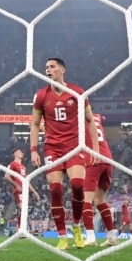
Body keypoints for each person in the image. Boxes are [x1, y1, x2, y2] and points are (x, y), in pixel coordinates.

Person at [30, 57, 100, 250]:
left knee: (78, 186)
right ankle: (62, 236)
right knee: (55, 190)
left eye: (52, 67)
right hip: (52, 147)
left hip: (74, 147)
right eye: (46, 67)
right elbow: (35, 124)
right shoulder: (41, 96)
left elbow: (90, 120)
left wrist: (95, 147)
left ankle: (76, 226)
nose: (48, 70)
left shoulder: (77, 92)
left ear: (62, 70)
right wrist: (34, 149)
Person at [82, 113, 118, 247]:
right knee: (100, 200)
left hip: (93, 160)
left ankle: (90, 237)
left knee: (86, 200)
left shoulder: (78, 119)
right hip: (107, 160)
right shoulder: (96, 116)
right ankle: (112, 236)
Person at [4, 146, 41, 234]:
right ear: (15, 154)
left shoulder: (23, 166)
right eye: (20, 152)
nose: (22, 153)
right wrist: (16, 185)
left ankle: (20, 229)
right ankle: (21, 230)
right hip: (18, 191)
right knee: (23, 209)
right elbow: (6, 176)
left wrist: (34, 192)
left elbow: (26, 180)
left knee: (23, 210)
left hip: (24, 191)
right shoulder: (12, 164)